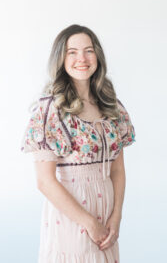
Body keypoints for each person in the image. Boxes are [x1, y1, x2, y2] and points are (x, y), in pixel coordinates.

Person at [20, 24, 136, 263]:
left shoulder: (111, 106)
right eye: (72, 52)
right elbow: (45, 181)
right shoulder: (50, 109)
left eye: (88, 50)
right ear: (61, 58)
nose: (81, 58)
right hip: (71, 216)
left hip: (106, 212)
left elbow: (117, 170)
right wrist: (89, 223)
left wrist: (116, 217)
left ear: (98, 56)